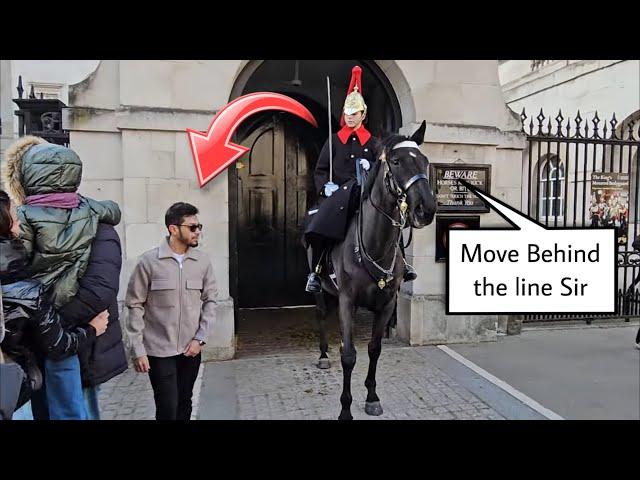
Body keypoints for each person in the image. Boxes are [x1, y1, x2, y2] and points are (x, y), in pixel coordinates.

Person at [2, 135, 121, 419]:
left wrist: (42, 324)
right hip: (59, 339)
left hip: (46, 337)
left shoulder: (21, 219)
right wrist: (53, 328)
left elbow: (15, 273)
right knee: (69, 408)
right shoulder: (94, 213)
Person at [303, 65, 416, 293]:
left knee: (392, 222)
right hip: (338, 196)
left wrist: (372, 165)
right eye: (346, 113)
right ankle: (316, 271)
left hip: (366, 196)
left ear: (363, 115)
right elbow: (320, 170)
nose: (349, 117)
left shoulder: (374, 143)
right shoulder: (334, 141)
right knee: (317, 225)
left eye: (354, 114)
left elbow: (386, 170)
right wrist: (326, 188)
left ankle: (403, 264)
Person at [125, 202, 218, 420]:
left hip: (191, 349)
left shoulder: (202, 262)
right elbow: (134, 304)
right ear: (173, 229)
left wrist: (200, 339)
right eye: (192, 227)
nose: (198, 232)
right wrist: (137, 348)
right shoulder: (149, 262)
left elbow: (211, 300)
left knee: (185, 403)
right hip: (159, 350)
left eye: (199, 226)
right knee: (167, 407)